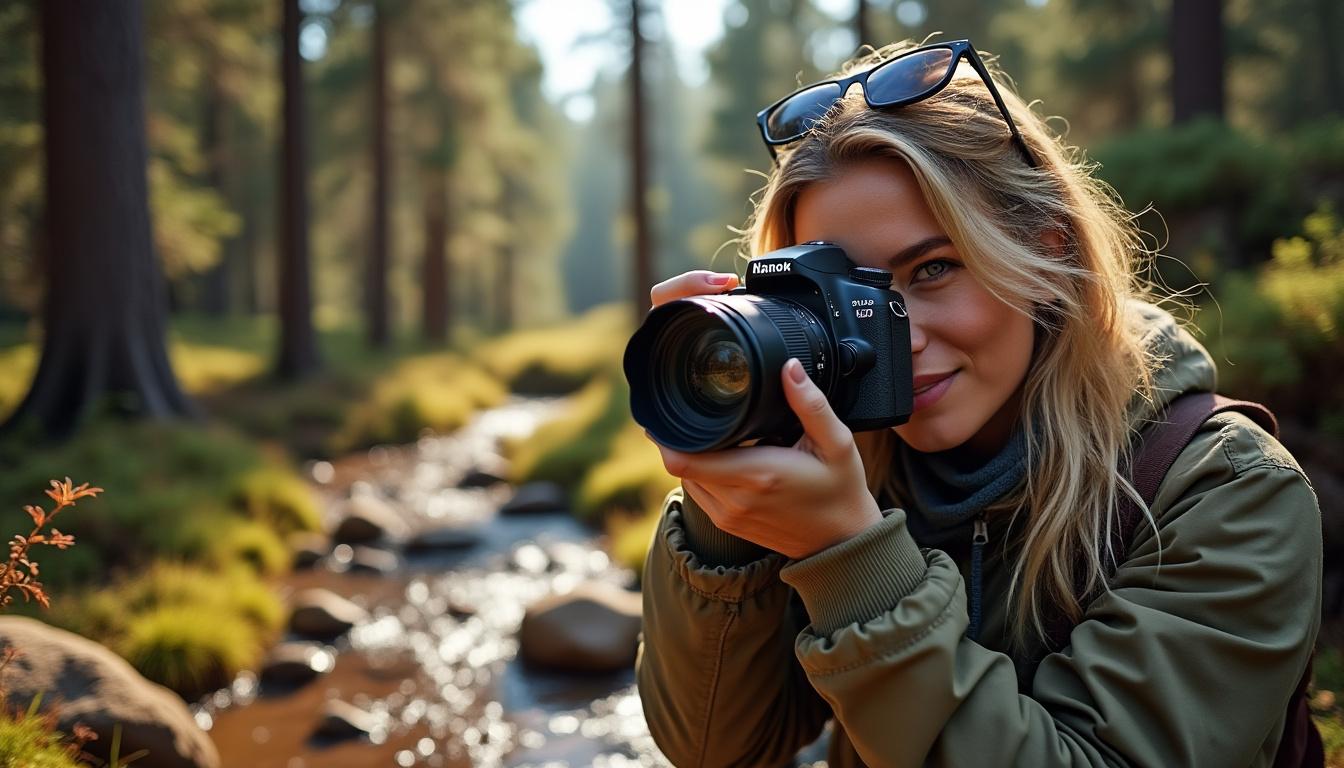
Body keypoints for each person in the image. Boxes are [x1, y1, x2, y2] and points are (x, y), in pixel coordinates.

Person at [635, 38, 1323, 768]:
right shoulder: (842, 463)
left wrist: (850, 560)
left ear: (1047, 254)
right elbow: (718, 747)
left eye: (932, 269)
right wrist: (726, 515)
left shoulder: (1227, 491)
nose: (901, 339)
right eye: (853, 295)